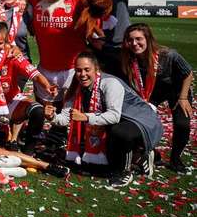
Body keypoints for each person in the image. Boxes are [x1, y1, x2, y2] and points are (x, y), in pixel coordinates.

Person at [53, 51, 163, 187]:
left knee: (120, 132)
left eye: (87, 70)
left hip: (142, 120)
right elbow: (66, 118)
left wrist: (85, 117)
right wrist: (51, 116)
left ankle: (124, 171)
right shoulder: (76, 86)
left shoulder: (110, 83)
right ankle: (140, 157)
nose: (82, 74)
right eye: (78, 70)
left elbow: (114, 116)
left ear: (96, 69)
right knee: (106, 151)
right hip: (121, 121)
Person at [120, 23, 193, 172]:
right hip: (153, 92)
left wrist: (184, 97)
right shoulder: (128, 58)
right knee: (140, 120)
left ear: (148, 39)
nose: (134, 43)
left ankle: (175, 159)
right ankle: (149, 153)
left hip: (177, 91)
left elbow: (188, 73)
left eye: (138, 39)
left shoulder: (169, 55)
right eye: (130, 40)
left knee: (182, 124)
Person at [0, 22, 57, 146]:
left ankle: (29, 151)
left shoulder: (12, 54)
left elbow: (33, 73)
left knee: (37, 111)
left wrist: (47, 86)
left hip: (11, 101)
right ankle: (4, 137)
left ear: (6, 42)